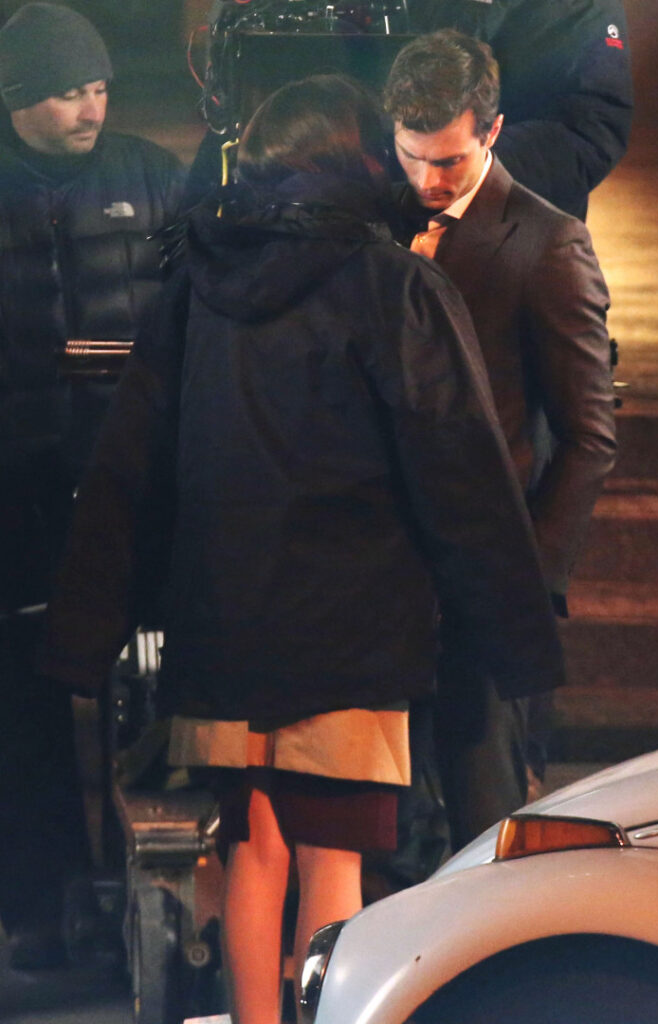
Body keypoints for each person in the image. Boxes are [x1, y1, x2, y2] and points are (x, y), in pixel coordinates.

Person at [39, 74, 565, 1022]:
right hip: (351, 631)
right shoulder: (395, 286)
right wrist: (517, 637)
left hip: (222, 628)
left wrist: (84, 632)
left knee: (252, 850)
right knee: (334, 859)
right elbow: (462, 474)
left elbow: (130, 467)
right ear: (359, 163)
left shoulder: (196, 289)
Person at [383, 30, 617, 850]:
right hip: (385, 578)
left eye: (448, 161)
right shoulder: (382, 219)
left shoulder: (546, 241)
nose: (428, 180)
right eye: (412, 157)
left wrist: (532, 573)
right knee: (389, 830)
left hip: (489, 576)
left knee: (483, 826)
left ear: (493, 131)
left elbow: (590, 434)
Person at [0, 2, 184, 969]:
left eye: (101, 88)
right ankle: (41, 904)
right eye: (69, 92)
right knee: (21, 705)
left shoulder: (151, 177)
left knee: (154, 691)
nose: (90, 109)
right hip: (18, 491)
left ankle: (162, 892)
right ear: (16, 99)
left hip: (132, 479)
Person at [405, 0, 634, 219]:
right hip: (402, 213)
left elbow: (592, 131)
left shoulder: (582, 8)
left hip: (521, 222)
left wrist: (470, 168)